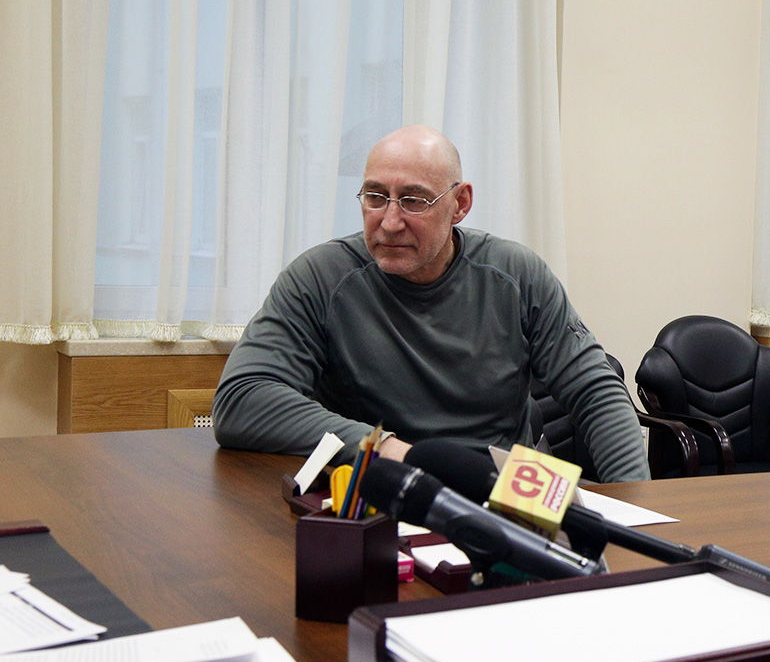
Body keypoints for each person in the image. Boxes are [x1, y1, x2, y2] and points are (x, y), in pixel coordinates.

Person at [213, 125, 649, 481]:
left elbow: (596, 392)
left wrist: (641, 504)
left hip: (503, 492)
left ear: (460, 204)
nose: (390, 221)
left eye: (414, 200)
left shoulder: (516, 275)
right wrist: (384, 448)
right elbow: (241, 399)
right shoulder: (321, 277)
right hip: (383, 487)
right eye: (375, 196)